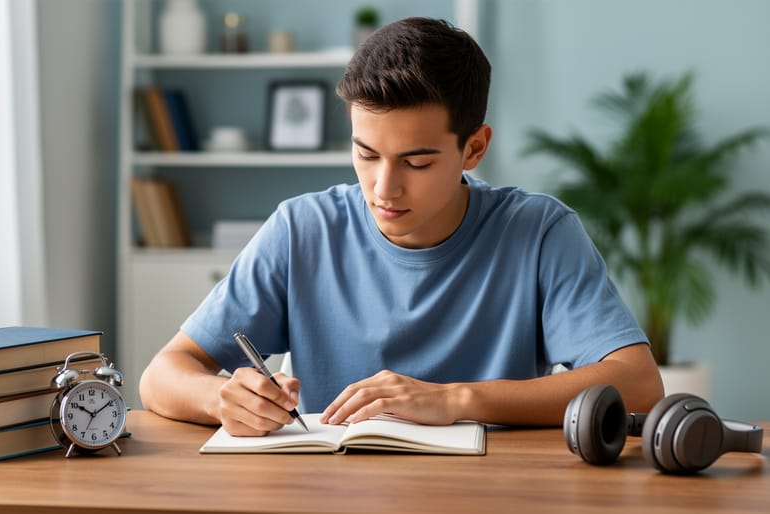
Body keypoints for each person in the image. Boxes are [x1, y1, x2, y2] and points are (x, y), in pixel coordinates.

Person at [139, 17, 664, 436]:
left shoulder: (539, 230)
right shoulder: (302, 229)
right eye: (366, 154)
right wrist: (222, 397)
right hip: (328, 491)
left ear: (473, 149)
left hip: (493, 490)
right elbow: (162, 375)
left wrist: (455, 400)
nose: (383, 188)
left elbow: (638, 385)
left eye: (416, 163)